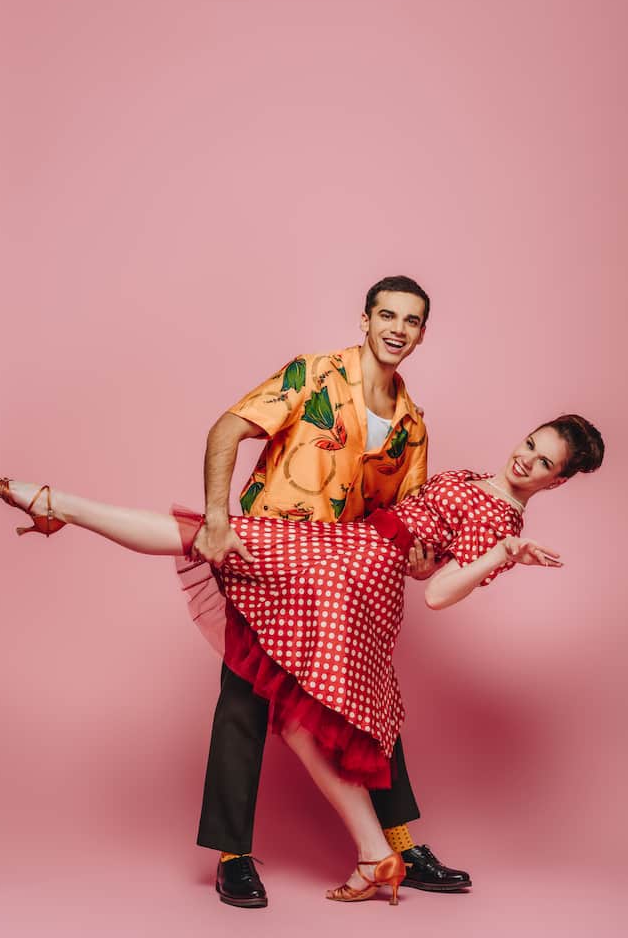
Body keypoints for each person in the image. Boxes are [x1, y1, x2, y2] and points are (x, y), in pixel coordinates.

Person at [0, 416, 604, 906]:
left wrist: (502, 555)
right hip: (349, 547)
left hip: (356, 575)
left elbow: (439, 593)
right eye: (530, 443)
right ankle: (374, 854)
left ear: (556, 482)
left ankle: (58, 503)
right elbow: (423, 549)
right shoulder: (472, 479)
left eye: (543, 462)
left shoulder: (504, 520)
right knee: (226, 553)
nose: (525, 459)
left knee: (223, 552)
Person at [190, 275, 470, 908]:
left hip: (340, 583)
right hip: (267, 561)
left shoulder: (412, 427)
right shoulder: (312, 374)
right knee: (245, 700)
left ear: (423, 334)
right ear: (365, 321)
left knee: (372, 700)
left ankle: (398, 843)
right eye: (388, 316)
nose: (399, 329)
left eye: (413, 321)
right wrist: (214, 517)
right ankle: (233, 855)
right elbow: (226, 430)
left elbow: (403, 530)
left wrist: (426, 561)